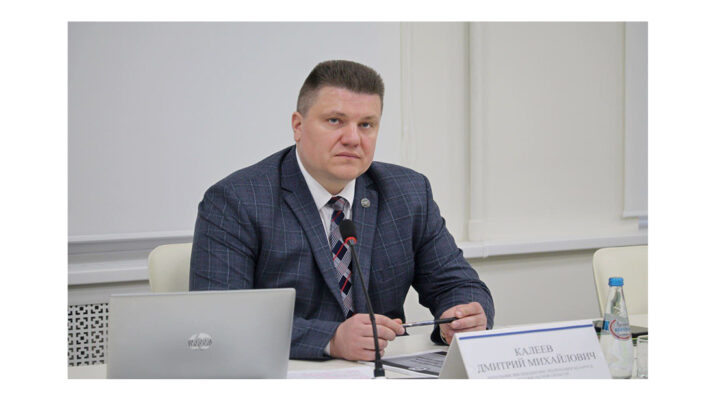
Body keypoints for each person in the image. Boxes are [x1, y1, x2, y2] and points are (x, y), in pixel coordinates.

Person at [190, 60, 494, 361]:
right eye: (335, 121)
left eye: (366, 125)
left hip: (386, 374)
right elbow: (220, 320)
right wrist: (331, 339)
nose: (352, 139)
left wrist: (462, 316)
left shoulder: (408, 192)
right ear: (298, 126)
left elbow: (459, 284)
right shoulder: (236, 201)